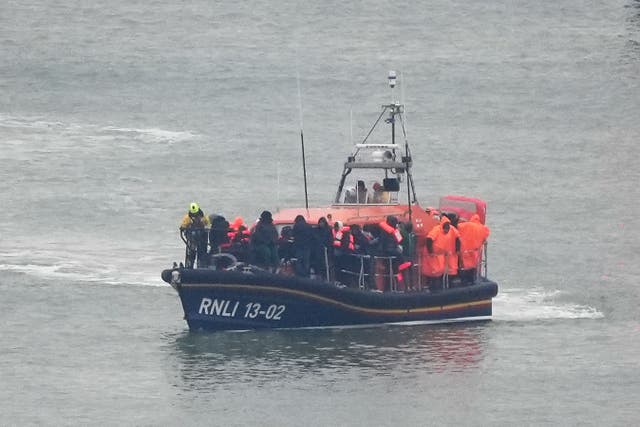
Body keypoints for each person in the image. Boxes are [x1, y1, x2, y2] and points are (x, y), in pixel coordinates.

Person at [422, 216, 461, 290]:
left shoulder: (452, 229)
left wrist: (458, 250)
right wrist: (431, 252)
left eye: (448, 229)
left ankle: (448, 286)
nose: (447, 230)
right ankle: (434, 287)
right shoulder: (436, 230)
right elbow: (429, 239)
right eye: (445, 229)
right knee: (435, 272)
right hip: (435, 255)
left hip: (444, 254)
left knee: (450, 270)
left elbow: (458, 238)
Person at [457, 214, 490, 285]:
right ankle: (472, 282)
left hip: (464, 251)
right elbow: (485, 236)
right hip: (475, 252)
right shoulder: (483, 228)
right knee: (473, 267)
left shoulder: (465, 225)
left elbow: (455, 227)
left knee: (464, 268)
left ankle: (464, 283)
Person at [179, 202, 211, 268]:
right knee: (191, 253)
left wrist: (205, 226)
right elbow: (183, 225)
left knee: (202, 253)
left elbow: (208, 224)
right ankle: (189, 266)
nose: (195, 215)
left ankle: (201, 266)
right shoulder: (187, 218)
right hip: (191, 238)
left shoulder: (203, 217)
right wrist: (183, 227)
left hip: (202, 238)